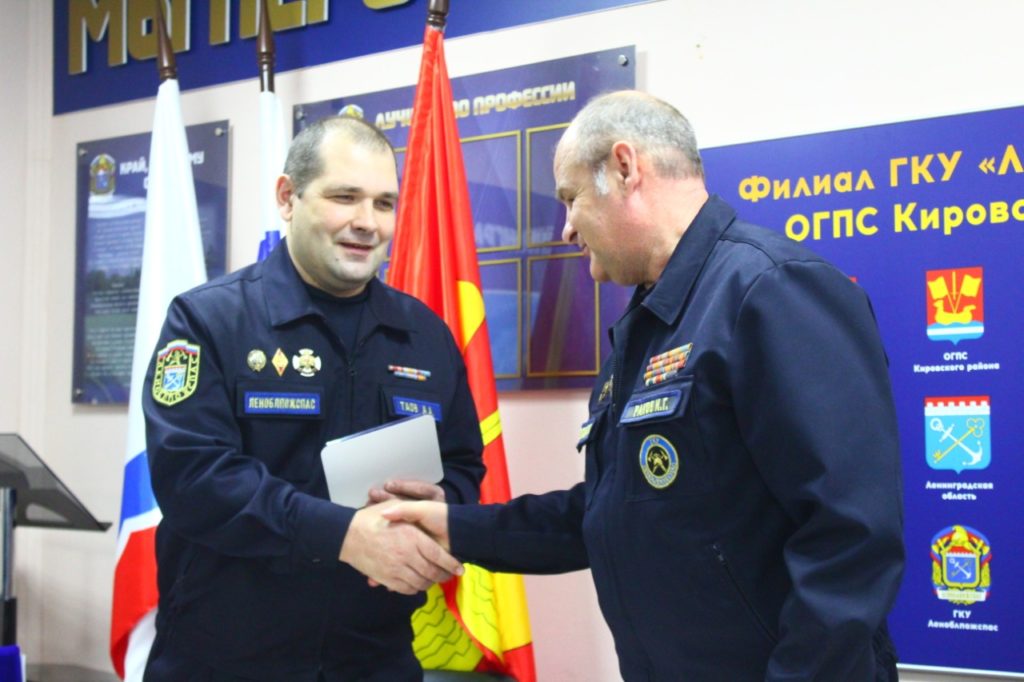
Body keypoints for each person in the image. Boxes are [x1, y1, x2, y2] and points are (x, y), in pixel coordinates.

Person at [382, 90, 905, 681]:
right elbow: (610, 513)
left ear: (625, 168)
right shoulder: (652, 321)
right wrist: (453, 525)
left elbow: (850, 536)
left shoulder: (770, 289)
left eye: (571, 198)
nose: (566, 228)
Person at [142, 115, 485, 681]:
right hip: (225, 660)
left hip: (375, 660)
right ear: (287, 197)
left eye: (384, 203)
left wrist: (432, 509)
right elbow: (193, 478)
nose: (366, 222)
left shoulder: (425, 335)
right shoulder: (209, 320)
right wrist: (345, 536)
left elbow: (464, 463)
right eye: (344, 197)